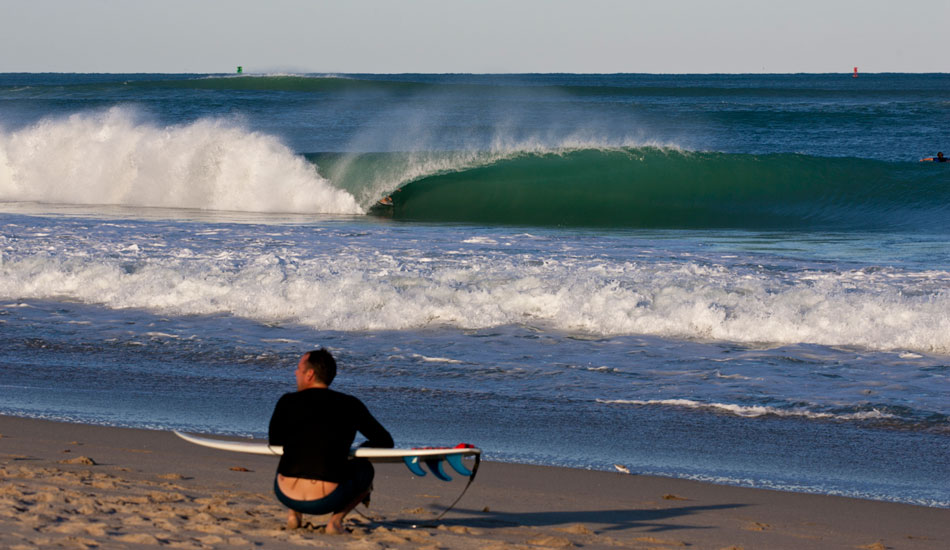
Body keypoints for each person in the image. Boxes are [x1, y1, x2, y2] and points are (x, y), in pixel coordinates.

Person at [269, 349, 394, 533]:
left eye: (298, 368)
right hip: (325, 499)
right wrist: (354, 453)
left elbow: (275, 443)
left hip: (284, 493)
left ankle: (293, 516)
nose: (295, 372)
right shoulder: (350, 404)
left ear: (310, 374)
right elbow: (385, 441)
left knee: (297, 452)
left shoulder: (287, 401)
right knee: (365, 469)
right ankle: (335, 522)